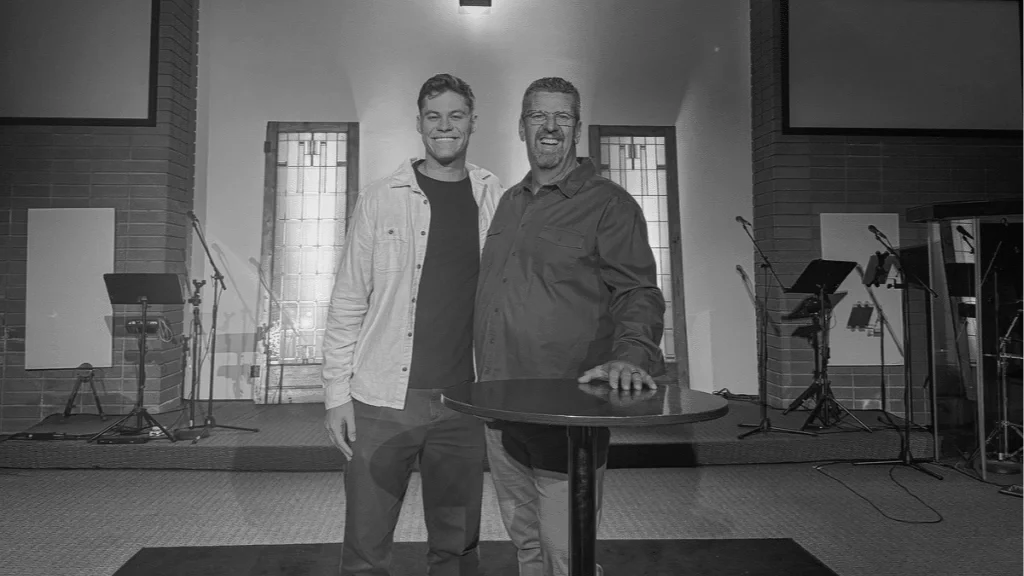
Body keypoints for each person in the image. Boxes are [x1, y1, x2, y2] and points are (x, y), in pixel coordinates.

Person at [474, 77, 666, 576]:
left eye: (562, 117)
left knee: (567, 554)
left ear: (577, 129)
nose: (550, 126)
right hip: (499, 402)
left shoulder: (609, 204)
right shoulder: (510, 202)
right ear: (521, 127)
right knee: (527, 546)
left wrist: (631, 355)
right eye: (538, 115)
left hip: (565, 410)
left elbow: (639, 292)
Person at [321, 73, 504, 576]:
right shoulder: (381, 198)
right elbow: (347, 299)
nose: (445, 126)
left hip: (463, 401)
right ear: (419, 123)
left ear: (473, 121)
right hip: (382, 397)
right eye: (433, 116)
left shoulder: (494, 196)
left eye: (456, 115)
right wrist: (336, 394)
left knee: (456, 546)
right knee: (366, 545)